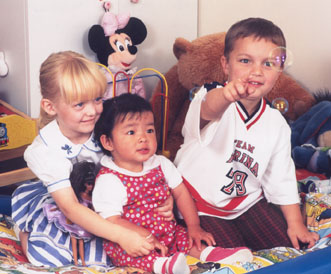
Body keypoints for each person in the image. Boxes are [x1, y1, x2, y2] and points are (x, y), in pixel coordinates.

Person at [11, 51, 173, 267]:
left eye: (97, 99)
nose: (92, 111)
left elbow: (137, 161)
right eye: (79, 105)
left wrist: (165, 195)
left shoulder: (105, 126)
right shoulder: (45, 150)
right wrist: (120, 235)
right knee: (53, 257)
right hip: (65, 204)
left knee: (131, 249)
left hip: (107, 201)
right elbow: (70, 208)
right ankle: (24, 232)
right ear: (51, 107)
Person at [174, 17, 320, 251]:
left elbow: (280, 177)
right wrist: (227, 95)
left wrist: (295, 224)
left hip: (247, 202)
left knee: (284, 247)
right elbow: (208, 110)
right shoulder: (211, 94)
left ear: (279, 71)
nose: (256, 71)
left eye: (268, 64)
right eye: (245, 61)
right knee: (236, 255)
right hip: (198, 202)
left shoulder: (276, 122)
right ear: (226, 65)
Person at [92, 93, 253, 274]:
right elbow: (113, 221)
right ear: (108, 142)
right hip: (135, 240)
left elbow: (181, 192)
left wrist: (194, 226)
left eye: (149, 130)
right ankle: (163, 266)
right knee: (126, 250)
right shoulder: (109, 179)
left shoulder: (160, 163)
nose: (143, 138)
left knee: (187, 238)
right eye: (131, 132)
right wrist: (146, 237)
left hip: (169, 232)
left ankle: (212, 254)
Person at [43, 161, 97, 266]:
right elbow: (68, 204)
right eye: (88, 184)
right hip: (74, 221)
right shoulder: (77, 194)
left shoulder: (91, 197)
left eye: (92, 184)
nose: (90, 187)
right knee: (74, 241)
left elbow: (92, 208)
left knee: (81, 242)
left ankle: (83, 262)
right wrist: (57, 208)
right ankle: (76, 261)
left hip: (83, 222)